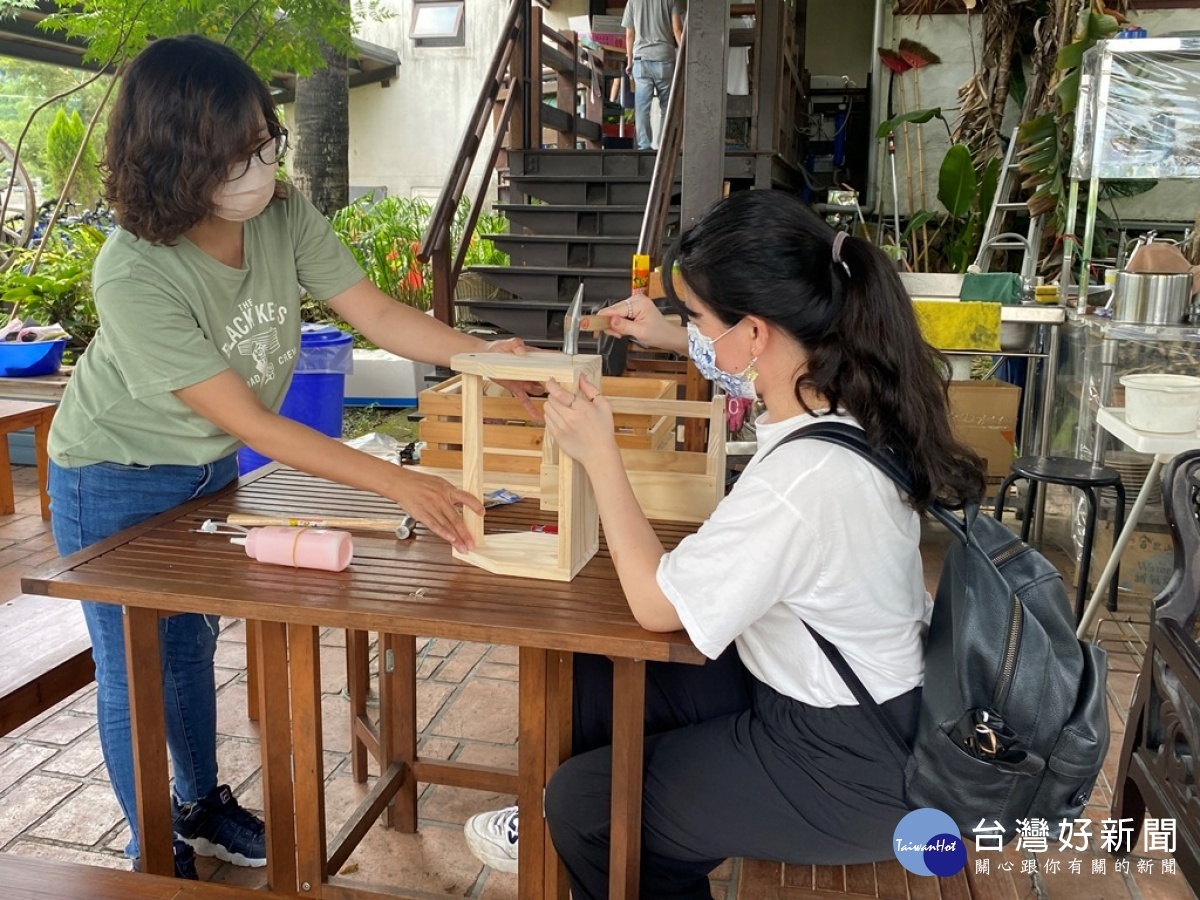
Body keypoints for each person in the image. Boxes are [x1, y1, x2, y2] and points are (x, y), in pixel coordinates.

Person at [48, 34, 536, 880]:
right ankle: (154, 848)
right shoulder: (132, 272)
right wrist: (397, 482)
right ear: (173, 159)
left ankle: (200, 807)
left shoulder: (278, 214)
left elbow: (375, 315)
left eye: (263, 144)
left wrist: (487, 359)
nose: (259, 167)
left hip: (200, 469)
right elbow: (255, 425)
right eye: (236, 153)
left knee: (192, 645)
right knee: (136, 665)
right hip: (111, 473)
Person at [463, 189, 986, 898]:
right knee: (599, 670)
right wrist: (675, 335)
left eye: (699, 320)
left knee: (588, 806)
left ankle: (607, 829)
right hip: (859, 704)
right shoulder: (845, 397)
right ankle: (625, 837)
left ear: (757, 332)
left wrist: (600, 455)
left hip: (850, 761)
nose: (694, 334)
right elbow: (734, 359)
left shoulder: (804, 478)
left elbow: (654, 602)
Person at [623, 0, 685, 151]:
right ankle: (665, 144)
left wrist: (630, 61)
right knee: (667, 106)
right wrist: (685, 56)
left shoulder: (633, 2)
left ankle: (644, 145)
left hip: (641, 59)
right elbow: (677, 29)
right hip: (664, 58)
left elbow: (630, 35)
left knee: (642, 106)